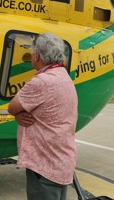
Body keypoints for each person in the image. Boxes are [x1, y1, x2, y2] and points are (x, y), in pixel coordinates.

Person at [8, 33, 78, 200]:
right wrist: (20, 115)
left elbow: (12, 107)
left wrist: (18, 114)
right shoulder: (63, 76)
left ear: (37, 56)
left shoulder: (42, 81)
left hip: (44, 165)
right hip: (60, 161)